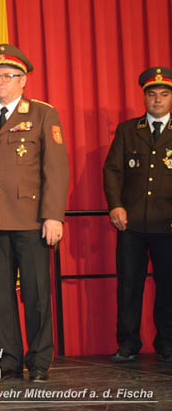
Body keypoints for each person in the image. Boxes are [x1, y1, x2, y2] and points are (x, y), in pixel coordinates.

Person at [0, 44, 69, 382]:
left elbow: (55, 169)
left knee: (37, 294)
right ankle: (9, 359)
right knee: (0, 295)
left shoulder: (42, 114)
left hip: (31, 220)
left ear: (23, 80)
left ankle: (39, 361)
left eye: (8, 76)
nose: (0, 82)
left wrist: (53, 215)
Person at [103, 66, 172, 363]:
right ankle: (128, 342)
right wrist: (115, 205)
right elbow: (112, 170)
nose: (157, 100)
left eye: (164, 94)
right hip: (131, 223)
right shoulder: (129, 130)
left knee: (168, 286)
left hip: (168, 224)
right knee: (129, 285)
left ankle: (167, 342)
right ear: (144, 97)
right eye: (152, 94)